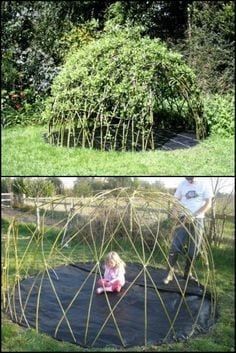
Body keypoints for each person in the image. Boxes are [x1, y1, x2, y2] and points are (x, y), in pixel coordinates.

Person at [163, 177, 213, 284]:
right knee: (175, 246)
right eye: (187, 179)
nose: (189, 181)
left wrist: (194, 216)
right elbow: (176, 201)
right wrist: (174, 211)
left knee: (193, 249)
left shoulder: (204, 184)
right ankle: (169, 274)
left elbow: (208, 204)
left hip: (198, 220)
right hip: (182, 219)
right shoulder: (182, 184)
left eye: (191, 179)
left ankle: (187, 274)